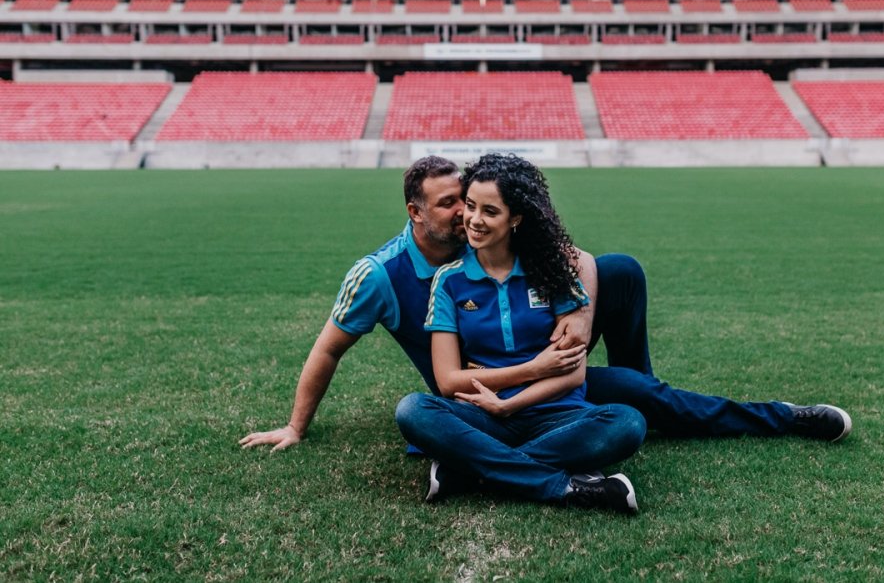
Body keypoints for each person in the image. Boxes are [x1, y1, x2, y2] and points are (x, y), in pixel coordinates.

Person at [239, 155, 850, 455]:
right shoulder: (381, 274)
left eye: (470, 201)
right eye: (452, 204)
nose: (465, 214)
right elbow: (328, 348)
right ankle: (521, 450)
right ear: (414, 212)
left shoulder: (487, 236)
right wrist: (296, 427)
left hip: (551, 379)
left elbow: (577, 257)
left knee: (628, 305)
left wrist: (577, 321)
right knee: (422, 413)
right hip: (475, 395)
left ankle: (782, 417)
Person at [397, 154, 646, 513]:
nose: (474, 220)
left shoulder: (549, 270)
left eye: (490, 211)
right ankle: (566, 487)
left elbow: (573, 373)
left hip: (557, 416)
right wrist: (531, 370)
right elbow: (448, 381)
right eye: (470, 206)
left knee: (627, 422)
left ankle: (469, 471)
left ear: (515, 218)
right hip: (483, 416)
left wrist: (511, 404)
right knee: (413, 409)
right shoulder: (448, 280)